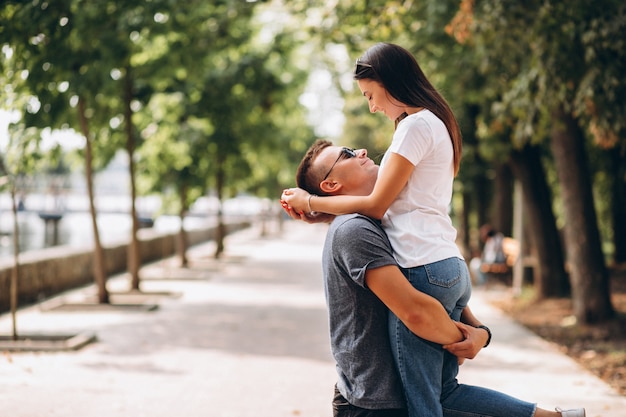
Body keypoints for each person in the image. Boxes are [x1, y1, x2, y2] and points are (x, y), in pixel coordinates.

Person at [282, 140, 585, 417]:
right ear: (331, 183)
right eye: (346, 154)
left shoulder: (383, 220)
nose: (360, 151)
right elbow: (416, 311)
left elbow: (426, 286)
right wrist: (464, 338)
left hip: (408, 395)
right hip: (374, 403)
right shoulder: (353, 231)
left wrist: (479, 330)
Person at [281, 42, 472, 417]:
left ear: (388, 81)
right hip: (449, 265)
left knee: (428, 404)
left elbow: (374, 206)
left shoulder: (413, 125)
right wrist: (474, 333)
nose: (371, 106)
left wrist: (311, 202)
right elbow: (374, 212)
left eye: (370, 94)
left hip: (424, 271)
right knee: (446, 394)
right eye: (348, 155)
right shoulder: (432, 123)